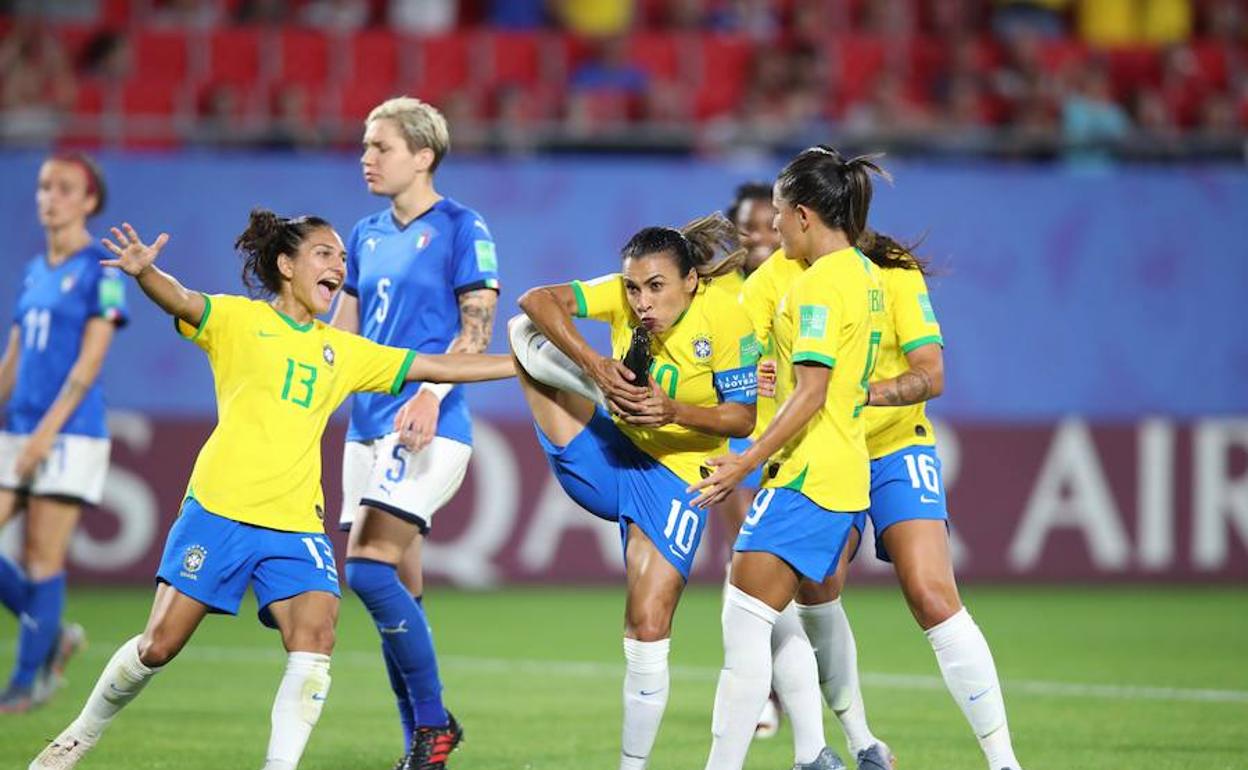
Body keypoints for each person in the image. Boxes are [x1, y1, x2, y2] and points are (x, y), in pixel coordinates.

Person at [28, 210, 514, 770]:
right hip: (220, 508)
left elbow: (438, 366)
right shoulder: (238, 321)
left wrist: (524, 363)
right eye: (325, 254)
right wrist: (144, 275)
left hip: (296, 523)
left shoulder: (343, 349)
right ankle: (77, 739)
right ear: (287, 265)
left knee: (316, 638)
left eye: (342, 256)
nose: (340, 265)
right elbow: (184, 300)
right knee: (157, 645)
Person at [509, 213, 831, 770]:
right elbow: (534, 299)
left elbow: (742, 419)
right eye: (633, 288)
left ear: (691, 283)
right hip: (607, 449)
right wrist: (597, 365)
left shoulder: (727, 322)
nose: (641, 302)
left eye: (656, 287)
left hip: (674, 473)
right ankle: (597, 387)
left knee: (648, 619)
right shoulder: (622, 295)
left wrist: (673, 410)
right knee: (523, 334)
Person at [789, 228, 1026, 770]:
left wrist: (863, 393)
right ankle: (862, 743)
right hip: (827, 451)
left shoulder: (891, 272)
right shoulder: (786, 278)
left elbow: (931, 374)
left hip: (896, 447)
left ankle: (1004, 762)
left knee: (932, 594)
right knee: (815, 589)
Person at [691, 146, 887, 770]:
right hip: (838, 474)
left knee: (744, 622)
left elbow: (812, 392)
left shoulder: (820, 285)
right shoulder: (861, 273)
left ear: (803, 216)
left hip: (809, 476)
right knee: (774, 619)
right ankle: (820, 755)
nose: (771, 230)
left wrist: (744, 464)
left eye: (777, 217)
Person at [329, 96, 500, 770]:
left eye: (381, 147)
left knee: (367, 571)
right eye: (365, 146)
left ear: (423, 155)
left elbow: (478, 328)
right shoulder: (364, 233)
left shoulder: (462, 226)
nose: (366, 158)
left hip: (429, 423)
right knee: (398, 594)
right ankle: (421, 752)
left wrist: (433, 393)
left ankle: (434, 723)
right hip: (365, 428)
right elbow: (341, 336)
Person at [0, 153, 121, 712]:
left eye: (65, 188)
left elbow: (92, 361)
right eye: (45, 186)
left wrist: (46, 433)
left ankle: (29, 682)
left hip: (69, 435)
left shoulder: (106, 269)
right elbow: (16, 355)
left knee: (41, 555)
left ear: (90, 201)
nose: (50, 196)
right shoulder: (35, 270)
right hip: (21, 428)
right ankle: (53, 637)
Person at [715, 181, 785, 739]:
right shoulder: (720, 294)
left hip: (795, 439)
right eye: (748, 226)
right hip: (739, 441)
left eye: (769, 223)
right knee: (748, 560)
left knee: (797, 580)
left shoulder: (803, 285)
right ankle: (763, 691)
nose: (759, 235)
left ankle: (791, 689)